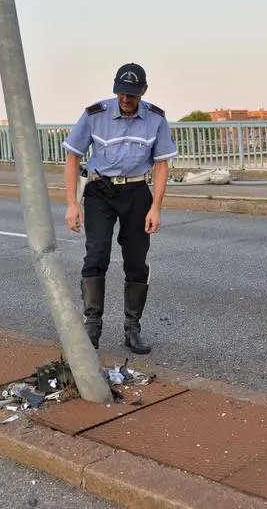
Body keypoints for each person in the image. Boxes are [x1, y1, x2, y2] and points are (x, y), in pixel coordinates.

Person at [61, 63, 178, 355]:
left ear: (143, 92)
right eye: (122, 94)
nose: (126, 100)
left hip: (137, 192)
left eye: (133, 95)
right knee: (97, 253)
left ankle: (132, 328)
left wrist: (156, 208)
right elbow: (73, 157)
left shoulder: (155, 119)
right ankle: (92, 326)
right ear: (115, 90)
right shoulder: (95, 115)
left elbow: (162, 165)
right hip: (100, 191)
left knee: (137, 261)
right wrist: (73, 203)